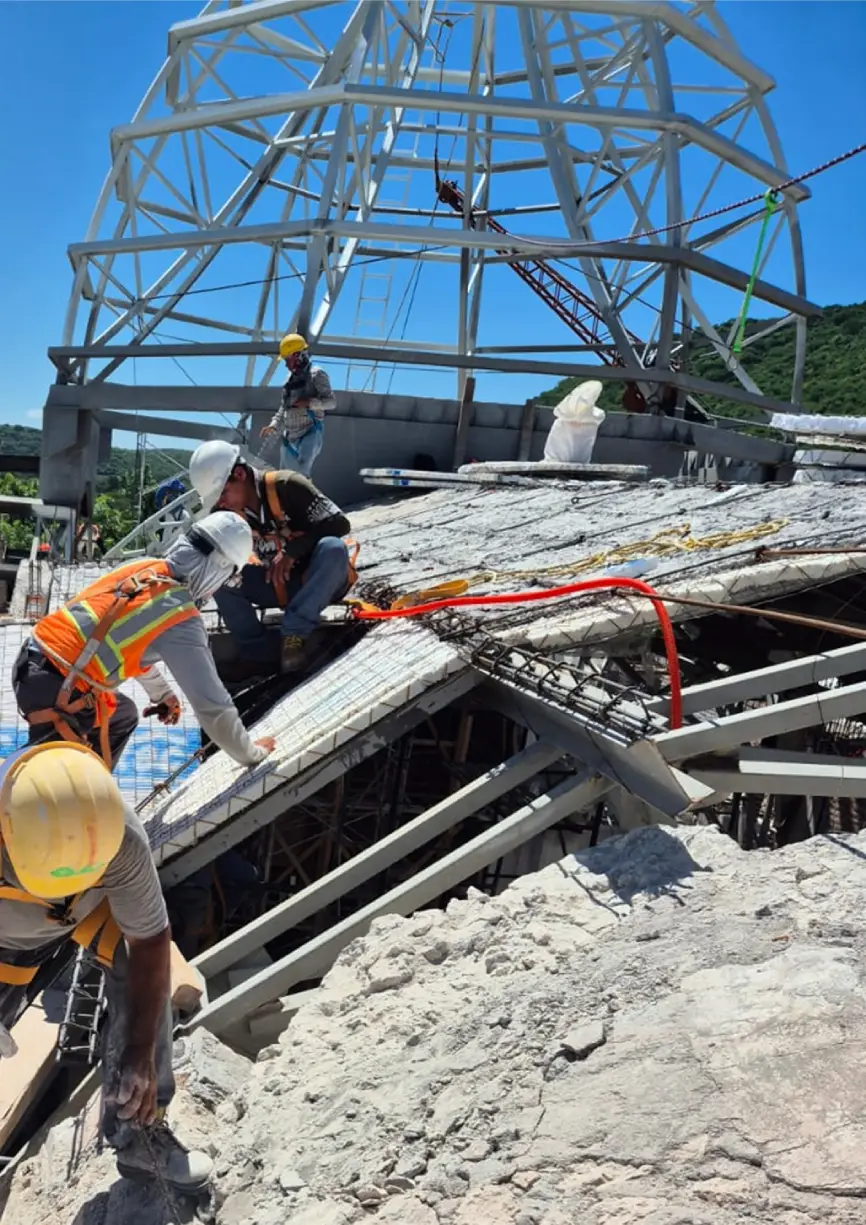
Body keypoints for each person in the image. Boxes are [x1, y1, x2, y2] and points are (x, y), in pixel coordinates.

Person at [0, 740, 212, 1192]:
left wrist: (139, 1053)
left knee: (143, 983)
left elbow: (151, 939)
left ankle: (140, 1136)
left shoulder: (112, 834)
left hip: (86, 913)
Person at [13, 511, 276, 772]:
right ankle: (86, 798)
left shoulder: (142, 568)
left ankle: (89, 791)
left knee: (122, 715)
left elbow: (122, 644)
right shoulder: (181, 616)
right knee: (47, 787)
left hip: (33, 664)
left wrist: (161, 695)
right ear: (218, 567)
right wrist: (253, 754)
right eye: (229, 576)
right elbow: (213, 707)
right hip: (59, 689)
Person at [188, 440, 352, 675]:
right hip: (273, 584)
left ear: (240, 473)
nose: (222, 503)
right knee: (217, 572)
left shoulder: (288, 485)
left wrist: (292, 551)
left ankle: (294, 636)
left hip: (314, 583)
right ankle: (257, 653)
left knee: (334, 549)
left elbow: (339, 523)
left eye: (223, 493)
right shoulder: (224, 512)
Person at [259, 332, 336, 478]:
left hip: (310, 432)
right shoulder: (289, 379)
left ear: (298, 355)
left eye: (287, 359)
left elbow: (331, 402)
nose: (286, 364)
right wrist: (274, 424)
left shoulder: (316, 374)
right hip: (290, 436)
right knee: (284, 477)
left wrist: (309, 403)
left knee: (301, 476)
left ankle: (304, 500)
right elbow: (284, 407)